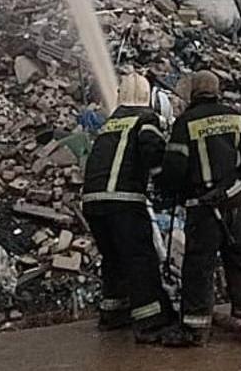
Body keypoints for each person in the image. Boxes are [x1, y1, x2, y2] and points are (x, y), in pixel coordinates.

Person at [160, 70, 241, 345]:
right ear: (217, 90)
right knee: (240, 258)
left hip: (204, 209)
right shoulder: (235, 118)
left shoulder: (186, 123)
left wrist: (171, 191)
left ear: (194, 93)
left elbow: (173, 169)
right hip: (237, 204)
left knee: (199, 265)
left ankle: (195, 329)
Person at [81, 72, 175, 344]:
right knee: (139, 259)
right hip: (123, 201)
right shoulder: (146, 120)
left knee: (114, 258)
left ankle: (113, 313)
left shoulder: (110, 124)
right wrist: (165, 180)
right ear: (148, 98)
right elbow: (152, 152)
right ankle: (151, 322)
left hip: (92, 203)